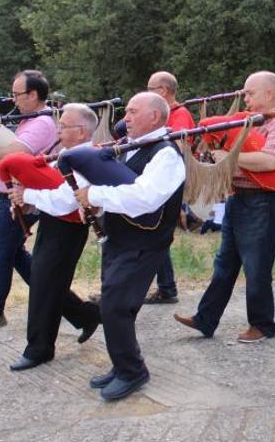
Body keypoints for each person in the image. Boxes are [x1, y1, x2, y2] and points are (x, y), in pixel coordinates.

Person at [72, 92, 185, 400]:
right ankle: (121, 364)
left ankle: (133, 371)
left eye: (134, 112)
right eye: (127, 112)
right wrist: (94, 204)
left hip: (145, 242)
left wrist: (95, 196)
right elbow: (118, 187)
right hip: (119, 238)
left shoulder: (166, 154)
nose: (127, 118)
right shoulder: (131, 148)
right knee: (117, 305)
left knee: (115, 305)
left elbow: (146, 199)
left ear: (156, 117)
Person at [174, 71, 275, 343]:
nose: (244, 98)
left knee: (256, 266)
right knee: (225, 264)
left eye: (249, 93)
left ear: (269, 94)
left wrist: (231, 158)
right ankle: (205, 319)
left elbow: (270, 162)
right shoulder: (248, 122)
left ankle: (263, 326)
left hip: (263, 202)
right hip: (239, 198)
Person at [6, 104, 103, 372]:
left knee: (44, 284)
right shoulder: (66, 155)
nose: (58, 130)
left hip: (69, 227)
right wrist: (26, 197)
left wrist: (26, 196)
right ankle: (86, 315)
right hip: (54, 224)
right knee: (44, 280)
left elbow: (66, 201)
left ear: (81, 131)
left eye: (64, 126)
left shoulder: (86, 159)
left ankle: (39, 348)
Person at [0, 70, 59, 334]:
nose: (13, 99)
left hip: (19, 199)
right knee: (15, 254)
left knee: (1, 255)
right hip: (14, 195)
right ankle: (58, 301)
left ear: (33, 94)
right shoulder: (28, 120)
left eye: (17, 94)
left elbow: (15, 154)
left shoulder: (41, 123)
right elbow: (8, 160)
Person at [142, 71, 196, 305]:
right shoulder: (169, 115)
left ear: (163, 91)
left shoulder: (180, 115)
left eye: (150, 89)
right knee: (154, 234)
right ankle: (166, 286)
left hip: (168, 182)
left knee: (157, 233)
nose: (146, 93)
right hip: (158, 178)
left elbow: (178, 146)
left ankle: (166, 287)